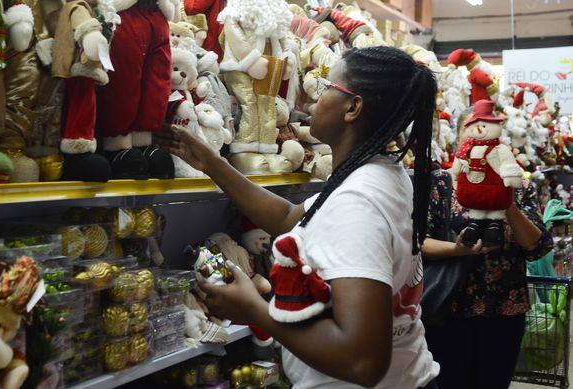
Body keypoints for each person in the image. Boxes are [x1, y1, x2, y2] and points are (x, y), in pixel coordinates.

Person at [158, 46, 440, 388]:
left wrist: (255, 310)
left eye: (325, 88)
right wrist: (213, 164)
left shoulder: (357, 202)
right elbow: (292, 217)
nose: (311, 99)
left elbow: (363, 361)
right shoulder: (375, 174)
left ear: (353, 107)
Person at [422, 162, 552, 389]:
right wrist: (458, 249)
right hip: (447, 308)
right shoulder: (442, 183)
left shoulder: (519, 186)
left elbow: (537, 247)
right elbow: (418, 244)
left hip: (504, 310)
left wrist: (505, 202)